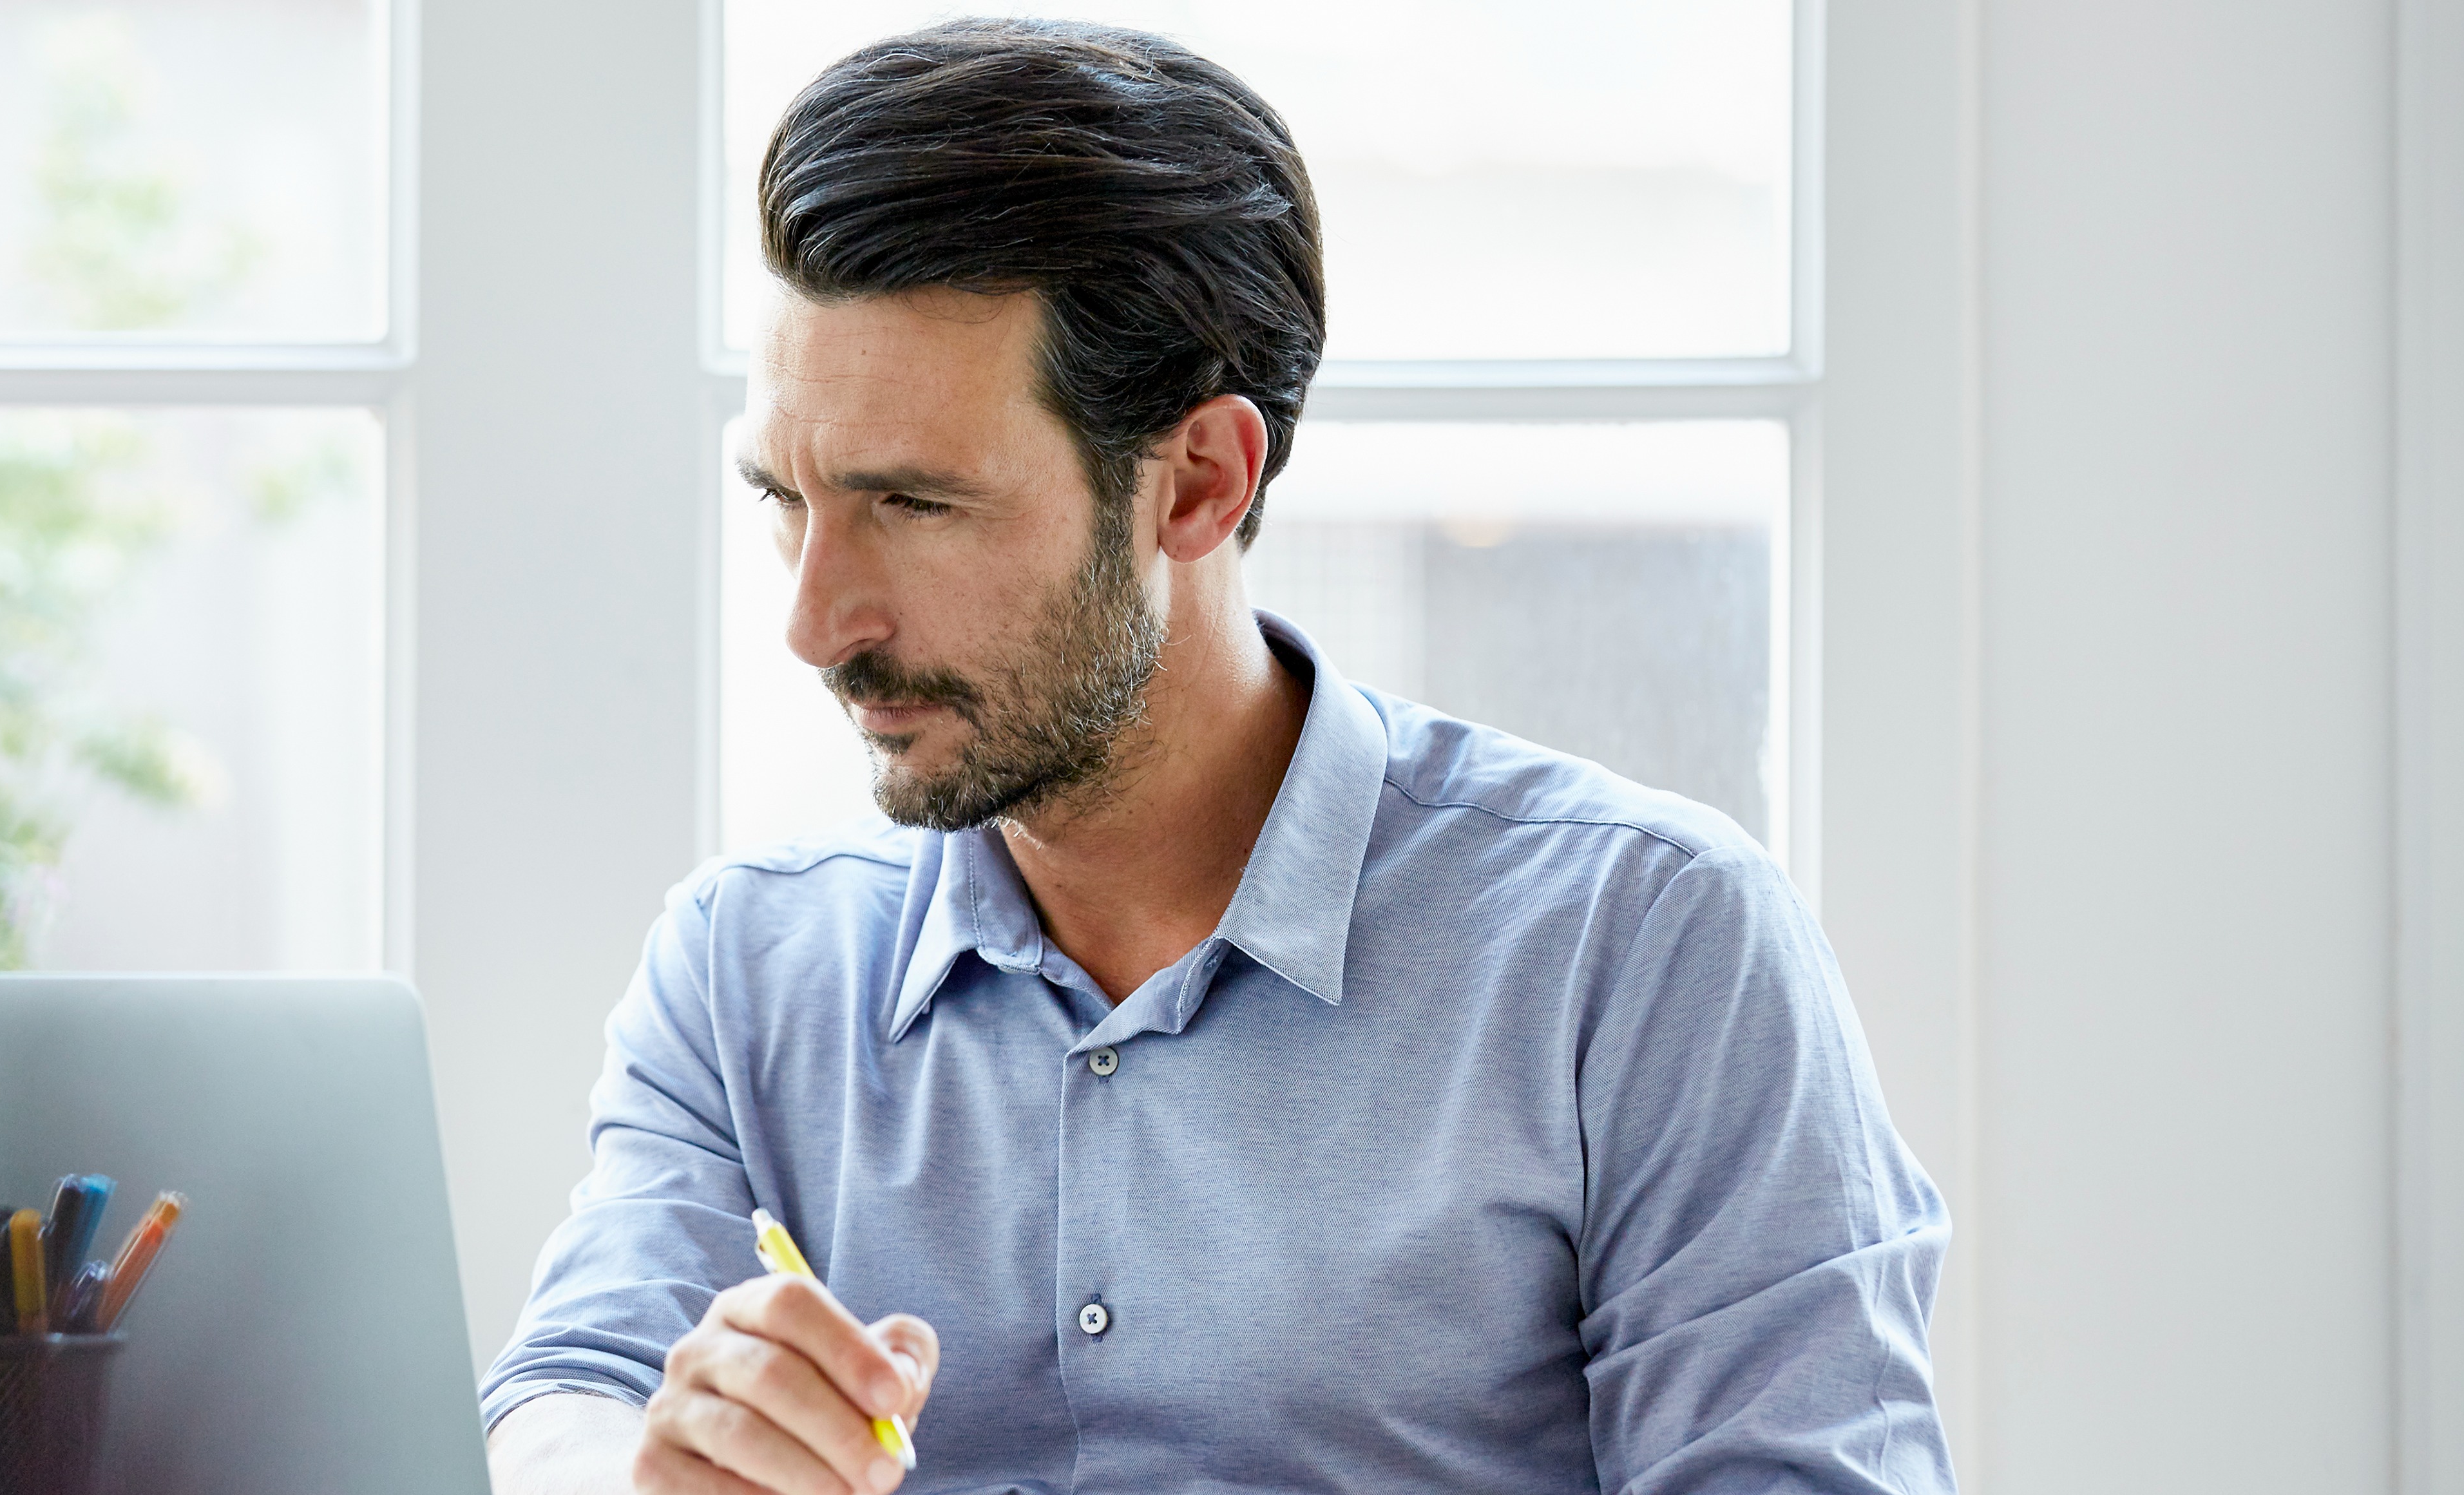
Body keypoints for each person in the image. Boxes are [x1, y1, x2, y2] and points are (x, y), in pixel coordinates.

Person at [484, 18, 1952, 1495]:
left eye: (914, 506)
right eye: (785, 498)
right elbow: (565, 1394)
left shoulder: (1640, 949)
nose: (815, 621)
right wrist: (653, 1473)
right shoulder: (750, 969)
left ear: (1197, 480)